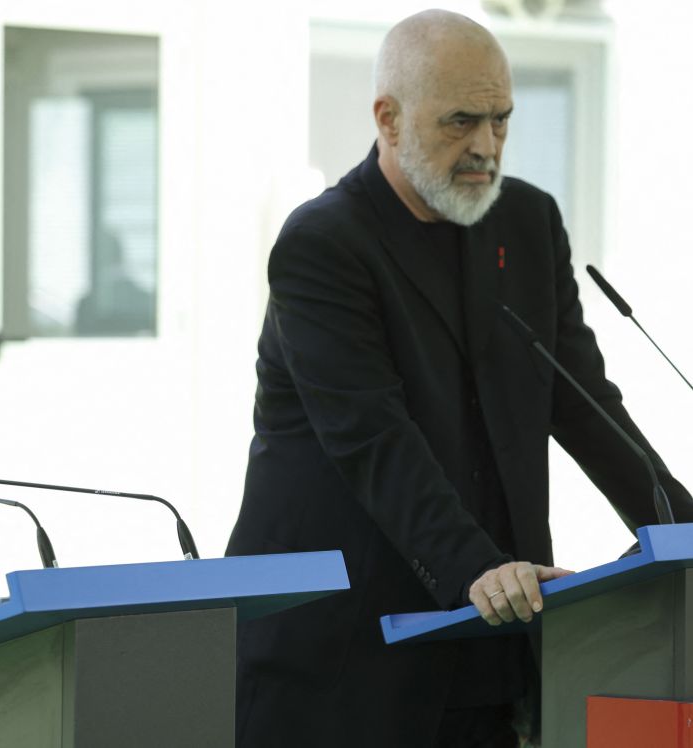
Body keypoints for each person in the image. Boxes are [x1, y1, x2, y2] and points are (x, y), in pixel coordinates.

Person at [225, 10, 693, 748]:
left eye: (502, 121)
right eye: (461, 122)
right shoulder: (323, 245)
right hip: (342, 665)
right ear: (388, 117)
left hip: (490, 653)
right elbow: (373, 439)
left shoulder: (529, 222)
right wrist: (478, 569)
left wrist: (680, 528)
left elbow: (586, 409)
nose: (486, 147)